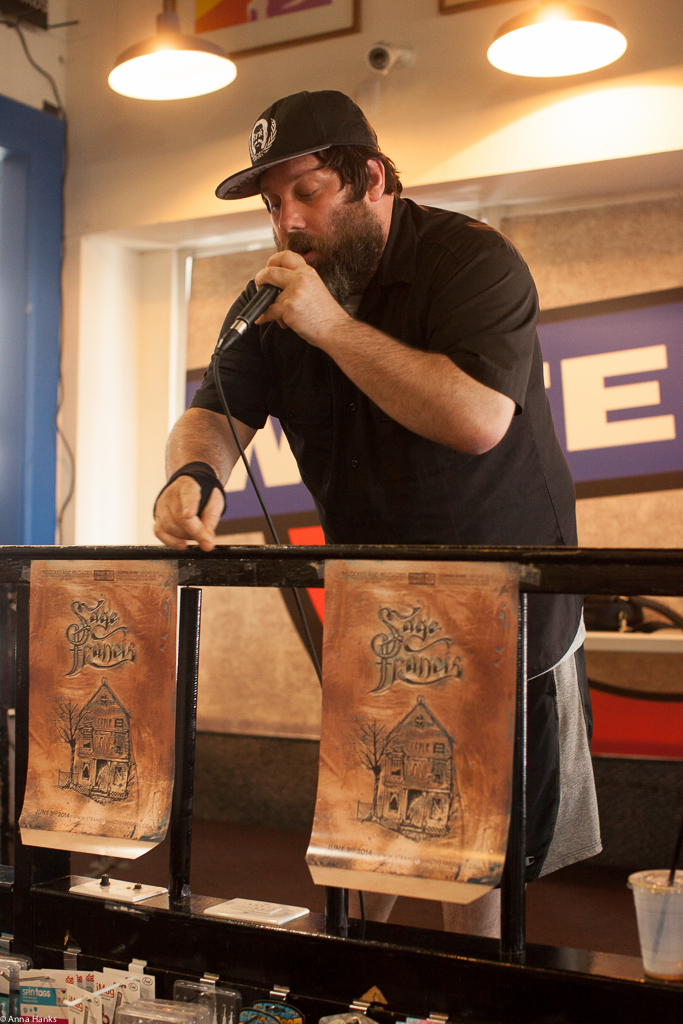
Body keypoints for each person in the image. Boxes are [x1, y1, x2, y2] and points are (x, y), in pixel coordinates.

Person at [153, 90, 601, 935]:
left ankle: (472, 997)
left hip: (503, 608)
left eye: (307, 191)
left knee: (483, 859)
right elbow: (215, 409)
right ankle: (356, 993)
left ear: (369, 177)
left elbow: (475, 419)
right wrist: (190, 476)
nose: (286, 221)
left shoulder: (471, 261)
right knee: (365, 837)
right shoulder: (279, 298)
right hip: (379, 610)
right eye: (270, 201)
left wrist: (329, 328)